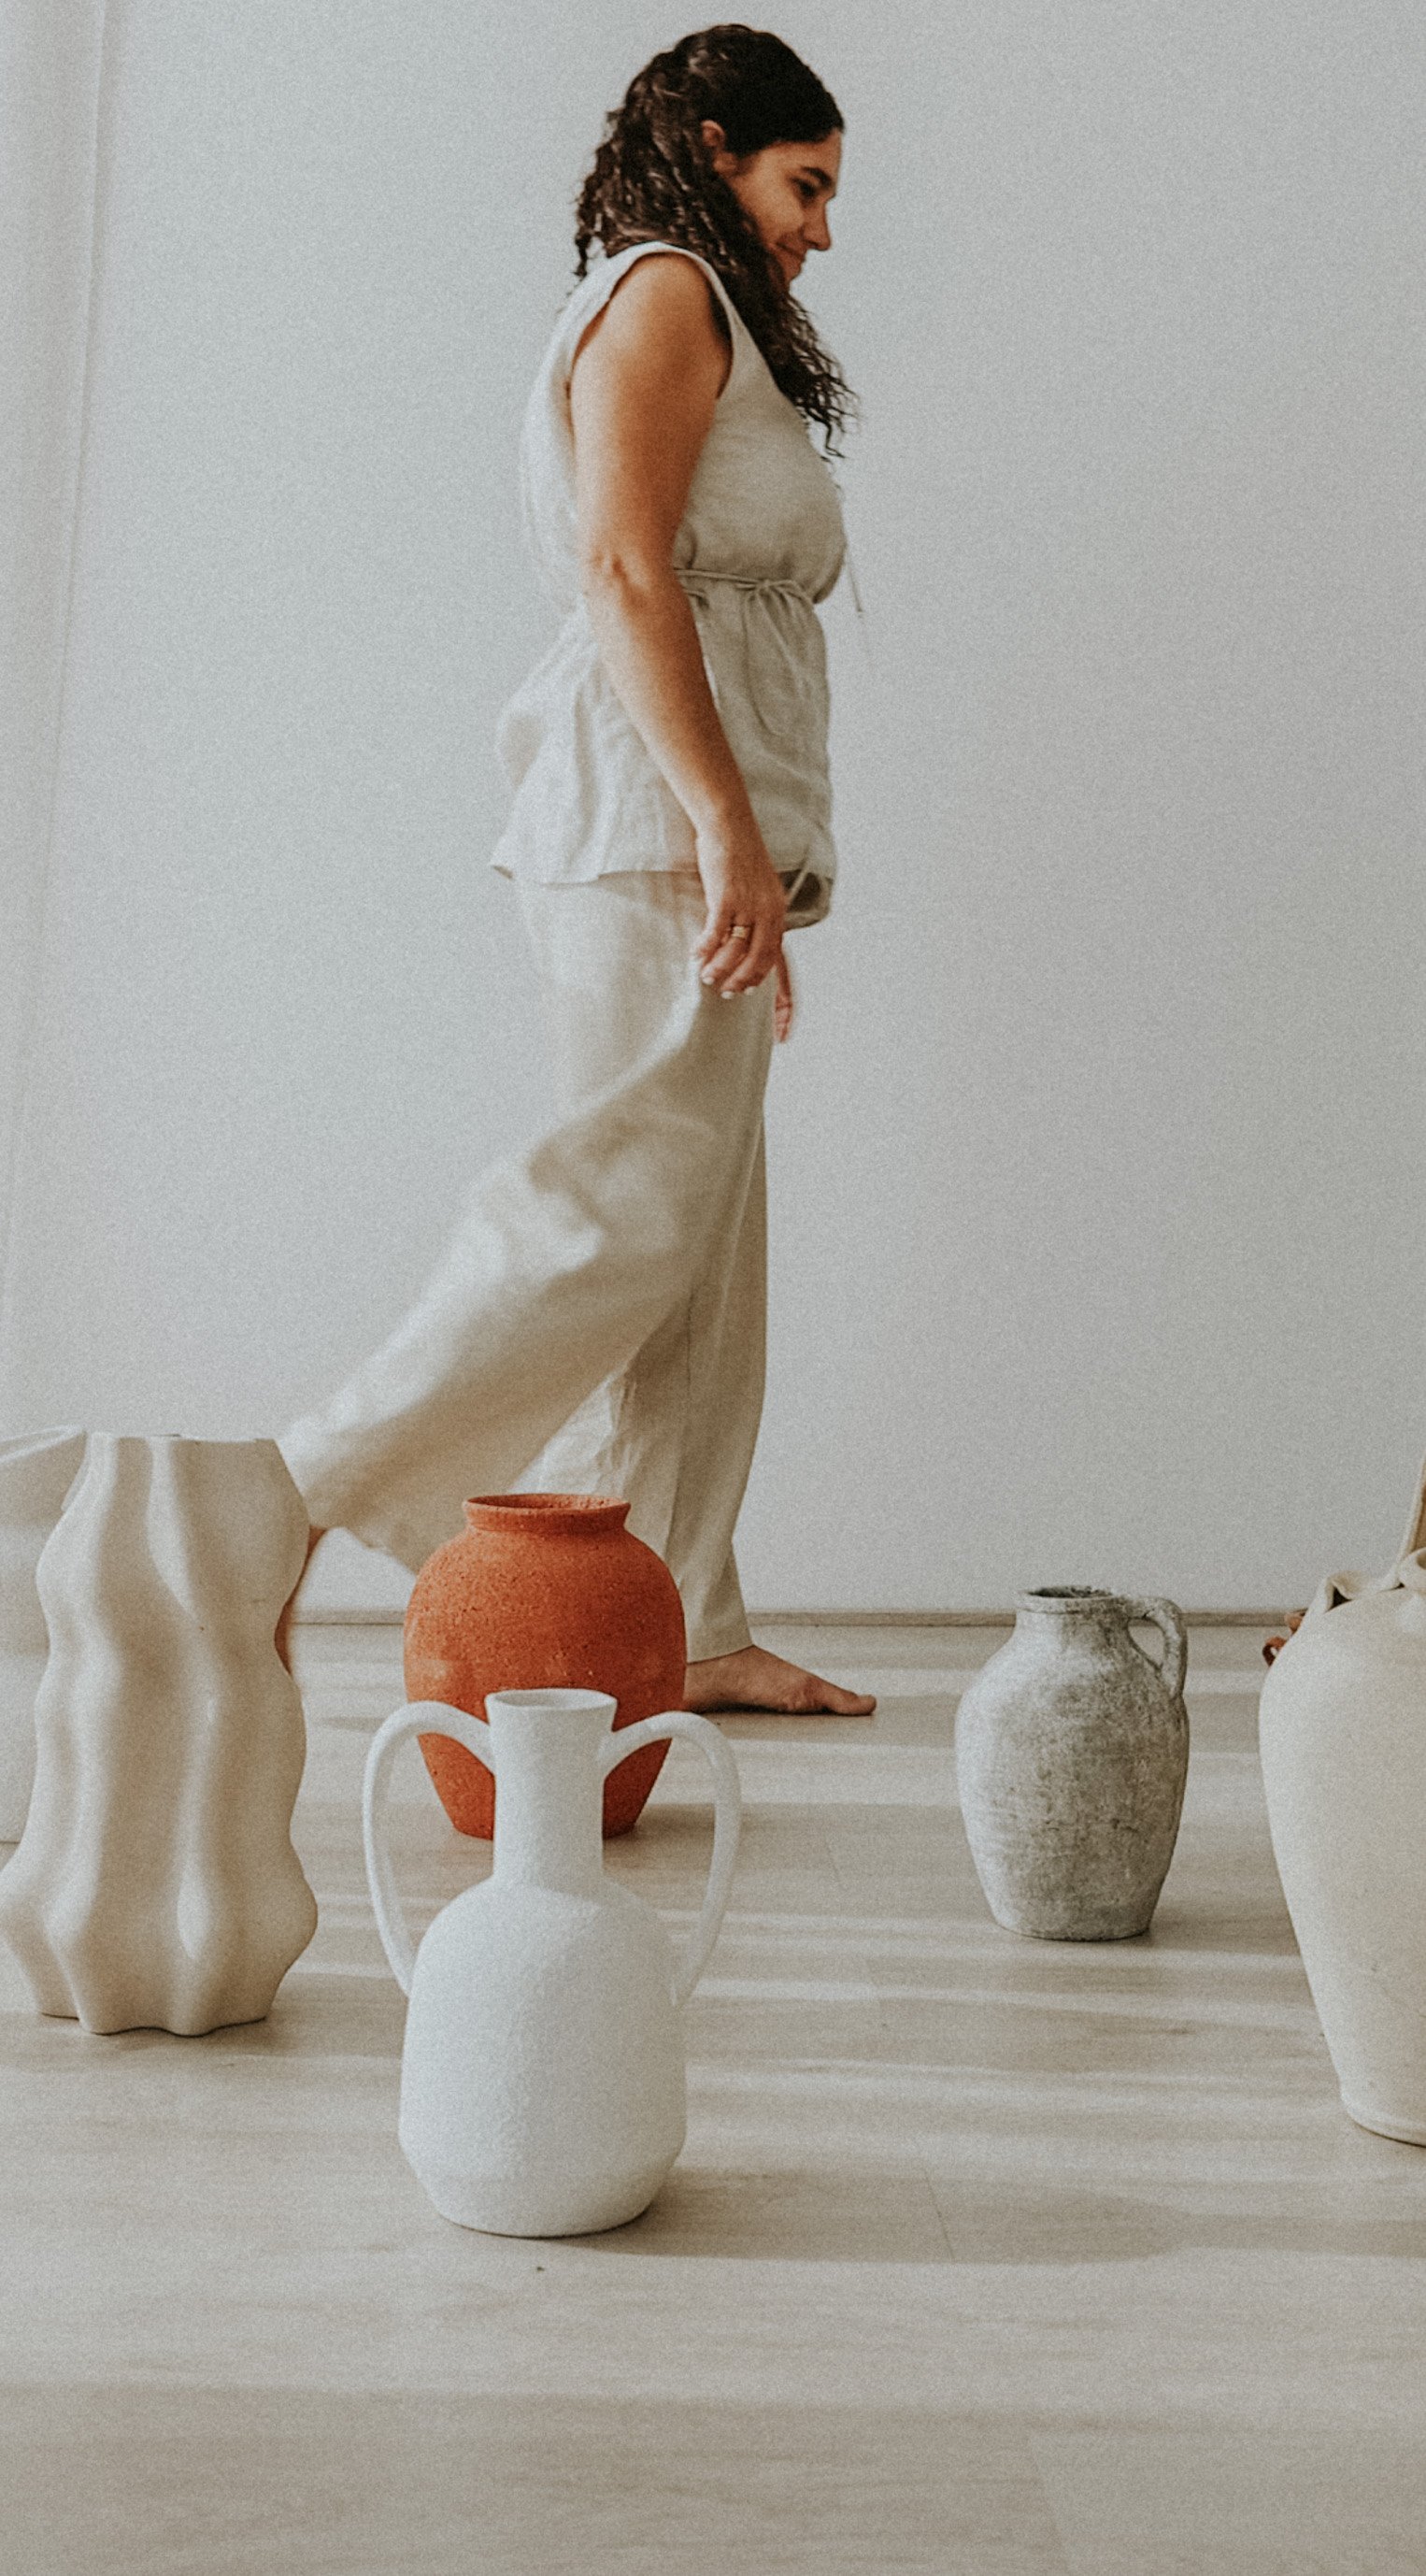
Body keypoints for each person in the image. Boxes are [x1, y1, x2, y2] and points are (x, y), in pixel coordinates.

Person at [278, 25, 875, 1716]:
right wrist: (719, 827)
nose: (820, 229)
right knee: (623, 1202)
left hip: (701, 815)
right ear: (712, 146)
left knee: (705, 1237)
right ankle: (283, 1497)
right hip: (644, 807)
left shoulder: (711, 308)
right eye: (805, 184)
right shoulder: (666, 289)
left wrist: (759, 849)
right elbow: (627, 571)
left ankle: (682, 1617)